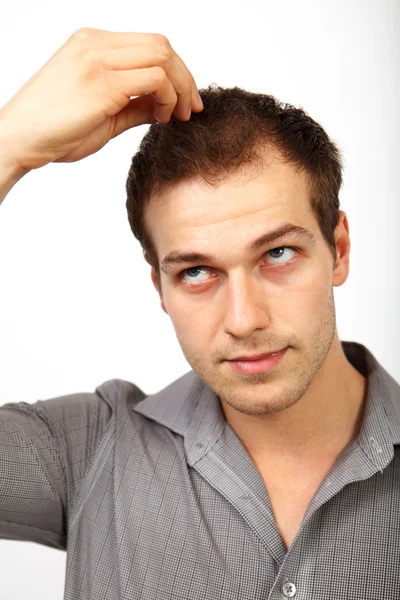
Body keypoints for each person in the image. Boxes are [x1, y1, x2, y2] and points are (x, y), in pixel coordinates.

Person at [0, 27, 399, 600]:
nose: (244, 319)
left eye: (277, 254)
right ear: (159, 285)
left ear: (338, 249)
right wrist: (8, 143)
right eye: (196, 271)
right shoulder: (86, 454)